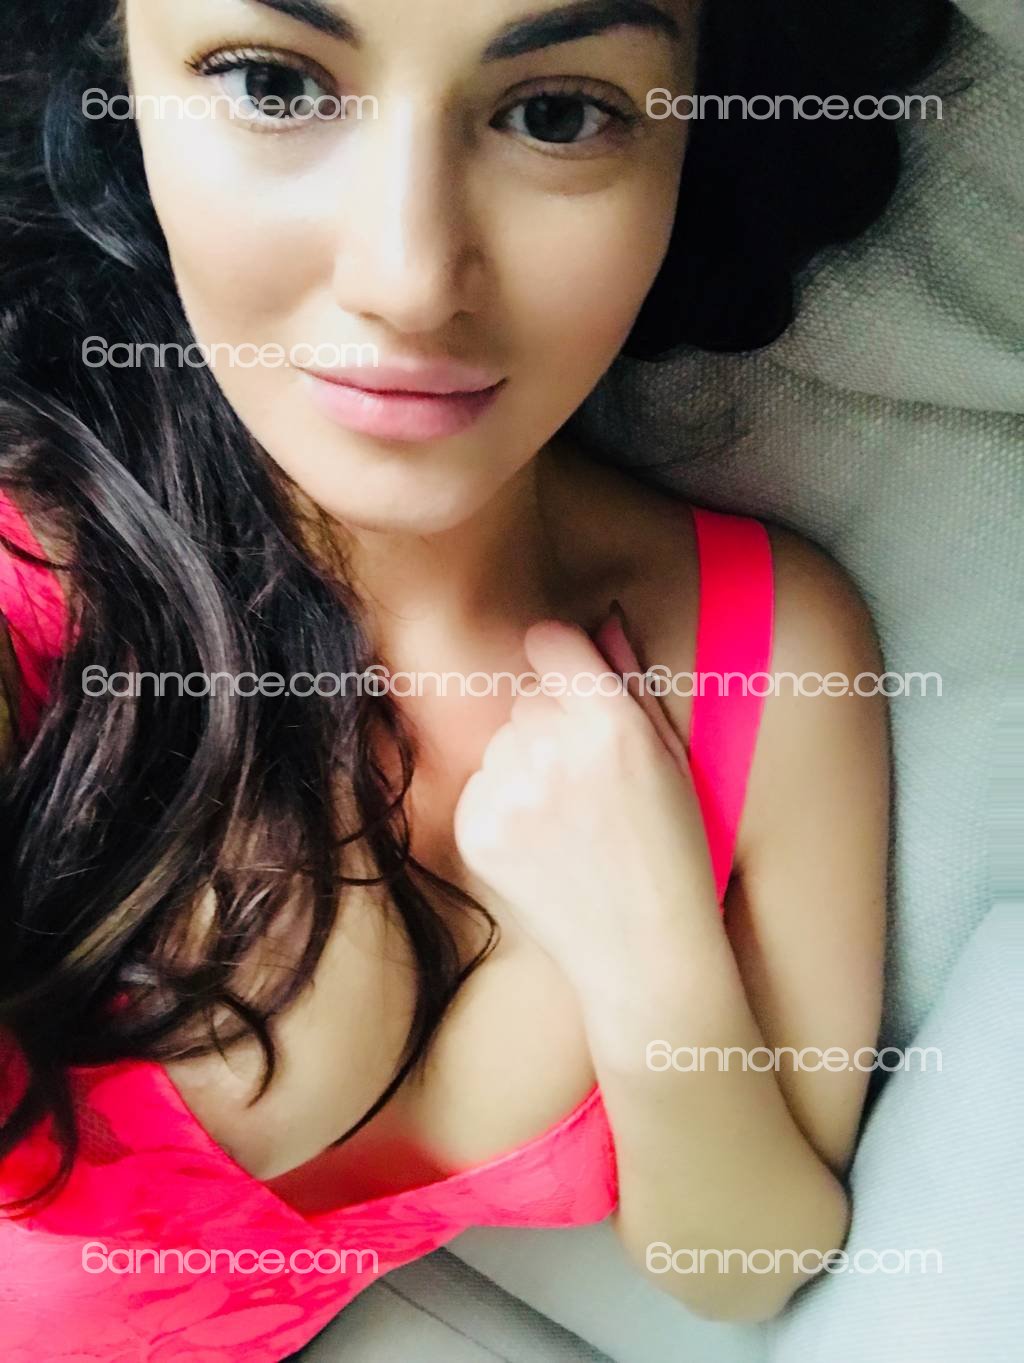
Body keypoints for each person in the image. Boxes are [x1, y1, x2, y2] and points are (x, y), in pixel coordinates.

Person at [0, 1, 952, 1358]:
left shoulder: (770, 651)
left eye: (557, 114)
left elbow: (744, 1266)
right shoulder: (31, 579)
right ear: (118, 83)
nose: (408, 278)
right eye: (273, 85)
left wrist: (653, 957)